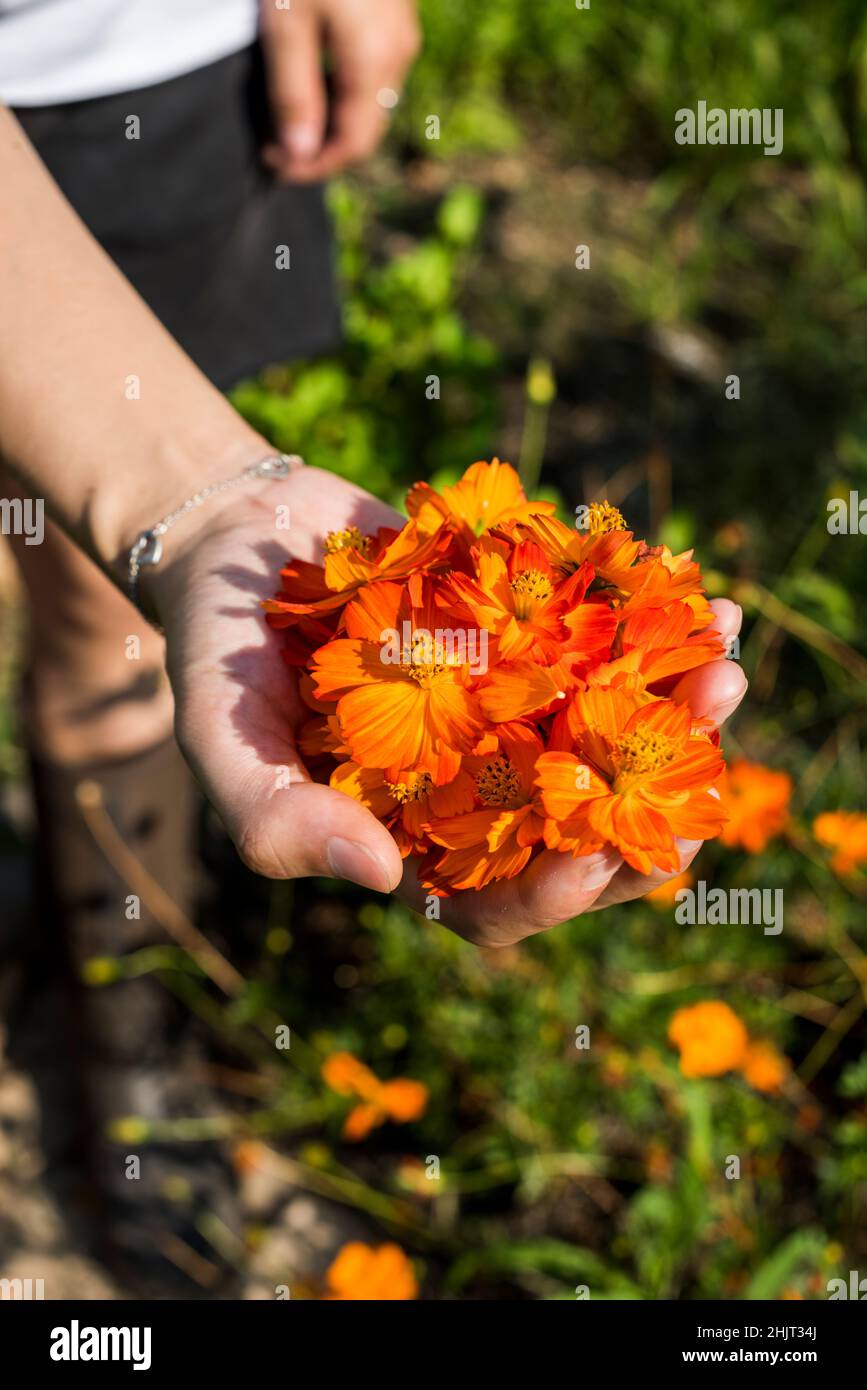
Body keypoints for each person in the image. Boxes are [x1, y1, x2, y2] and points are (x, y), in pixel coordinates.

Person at [0, 0, 747, 1294]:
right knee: (75, 578)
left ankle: (139, 1019)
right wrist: (189, 503)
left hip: (167, 63)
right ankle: (118, 1022)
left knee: (106, 622)